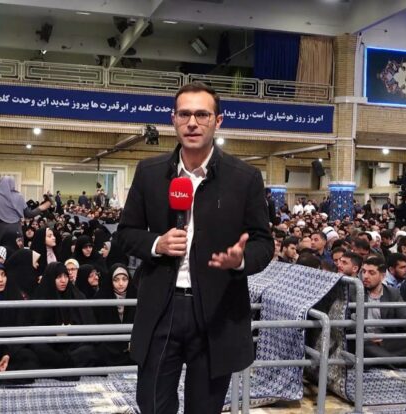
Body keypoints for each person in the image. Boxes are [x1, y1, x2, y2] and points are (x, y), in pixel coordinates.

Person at [116, 81, 273, 413]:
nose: (192, 123)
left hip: (216, 312)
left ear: (218, 121)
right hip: (162, 307)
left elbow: (263, 243)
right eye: (184, 114)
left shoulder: (244, 178)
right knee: (152, 404)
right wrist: (156, 243)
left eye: (202, 115)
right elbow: (126, 233)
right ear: (173, 119)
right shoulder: (149, 173)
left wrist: (240, 260)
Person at [352, 256, 406, 363]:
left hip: (386, 341)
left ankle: (387, 361)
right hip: (363, 340)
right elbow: (349, 322)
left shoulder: (392, 293)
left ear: (382, 276)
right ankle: (392, 362)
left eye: (371, 273)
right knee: (365, 348)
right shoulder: (353, 292)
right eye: (364, 272)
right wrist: (367, 336)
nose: (365, 276)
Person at [94, 263, 136, 366]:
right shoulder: (101, 297)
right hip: (108, 347)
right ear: (110, 281)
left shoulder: (136, 295)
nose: (121, 283)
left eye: (124, 279)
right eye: (116, 280)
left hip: (132, 346)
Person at [0, 176, 50, 242]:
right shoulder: (18, 196)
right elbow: (28, 214)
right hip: (15, 229)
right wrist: (42, 207)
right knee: (16, 247)